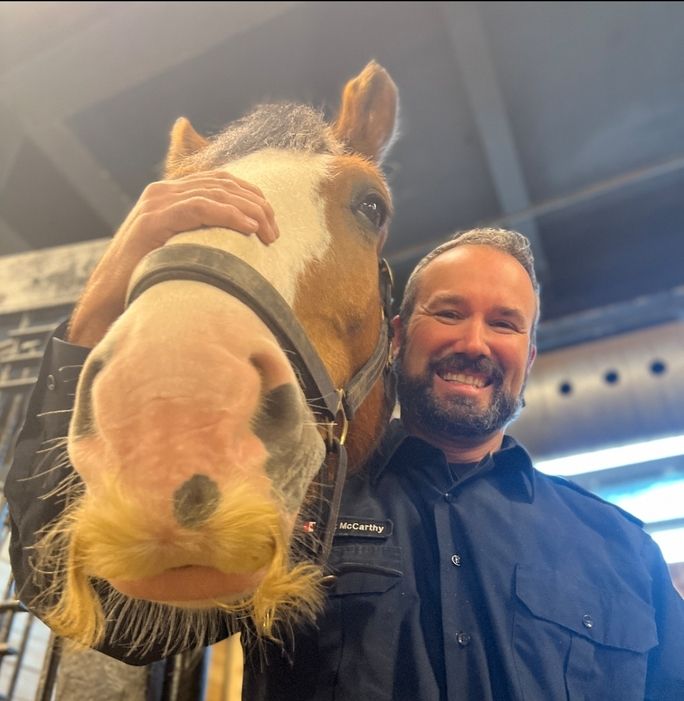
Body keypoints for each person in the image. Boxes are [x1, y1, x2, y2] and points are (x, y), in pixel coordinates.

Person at [5, 175, 684, 701]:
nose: (474, 341)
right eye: (448, 313)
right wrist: (109, 286)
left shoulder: (622, 547)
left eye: (505, 323)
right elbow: (108, 614)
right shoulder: (294, 505)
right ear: (396, 336)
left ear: (529, 355)